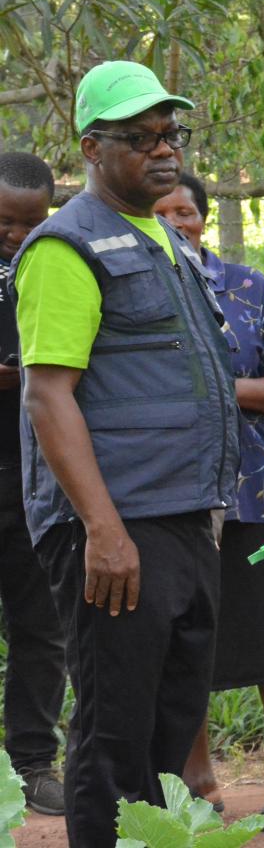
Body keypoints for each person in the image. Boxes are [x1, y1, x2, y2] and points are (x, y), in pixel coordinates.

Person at [13, 61, 238, 848]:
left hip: (182, 520)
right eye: (139, 139)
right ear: (91, 147)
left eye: (169, 135)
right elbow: (48, 396)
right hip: (116, 531)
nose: (162, 151)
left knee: (168, 729)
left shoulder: (163, 238)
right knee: (113, 734)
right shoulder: (66, 247)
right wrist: (102, 529)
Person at [153, 172, 264, 830]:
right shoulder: (134, 292)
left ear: (203, 219)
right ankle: (198, 782)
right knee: (180, 642)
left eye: (185, 211)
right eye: (160, 212)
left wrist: (216, 392)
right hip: (167, 496)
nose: (174, 223)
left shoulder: (249, 289)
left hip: (253, 494)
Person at [0, 152, 67, 817]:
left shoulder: (54, 265)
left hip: (32, 480)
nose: (15, 236)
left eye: (28, 222)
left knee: (40, 630)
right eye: (3, 222)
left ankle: (33, 765)